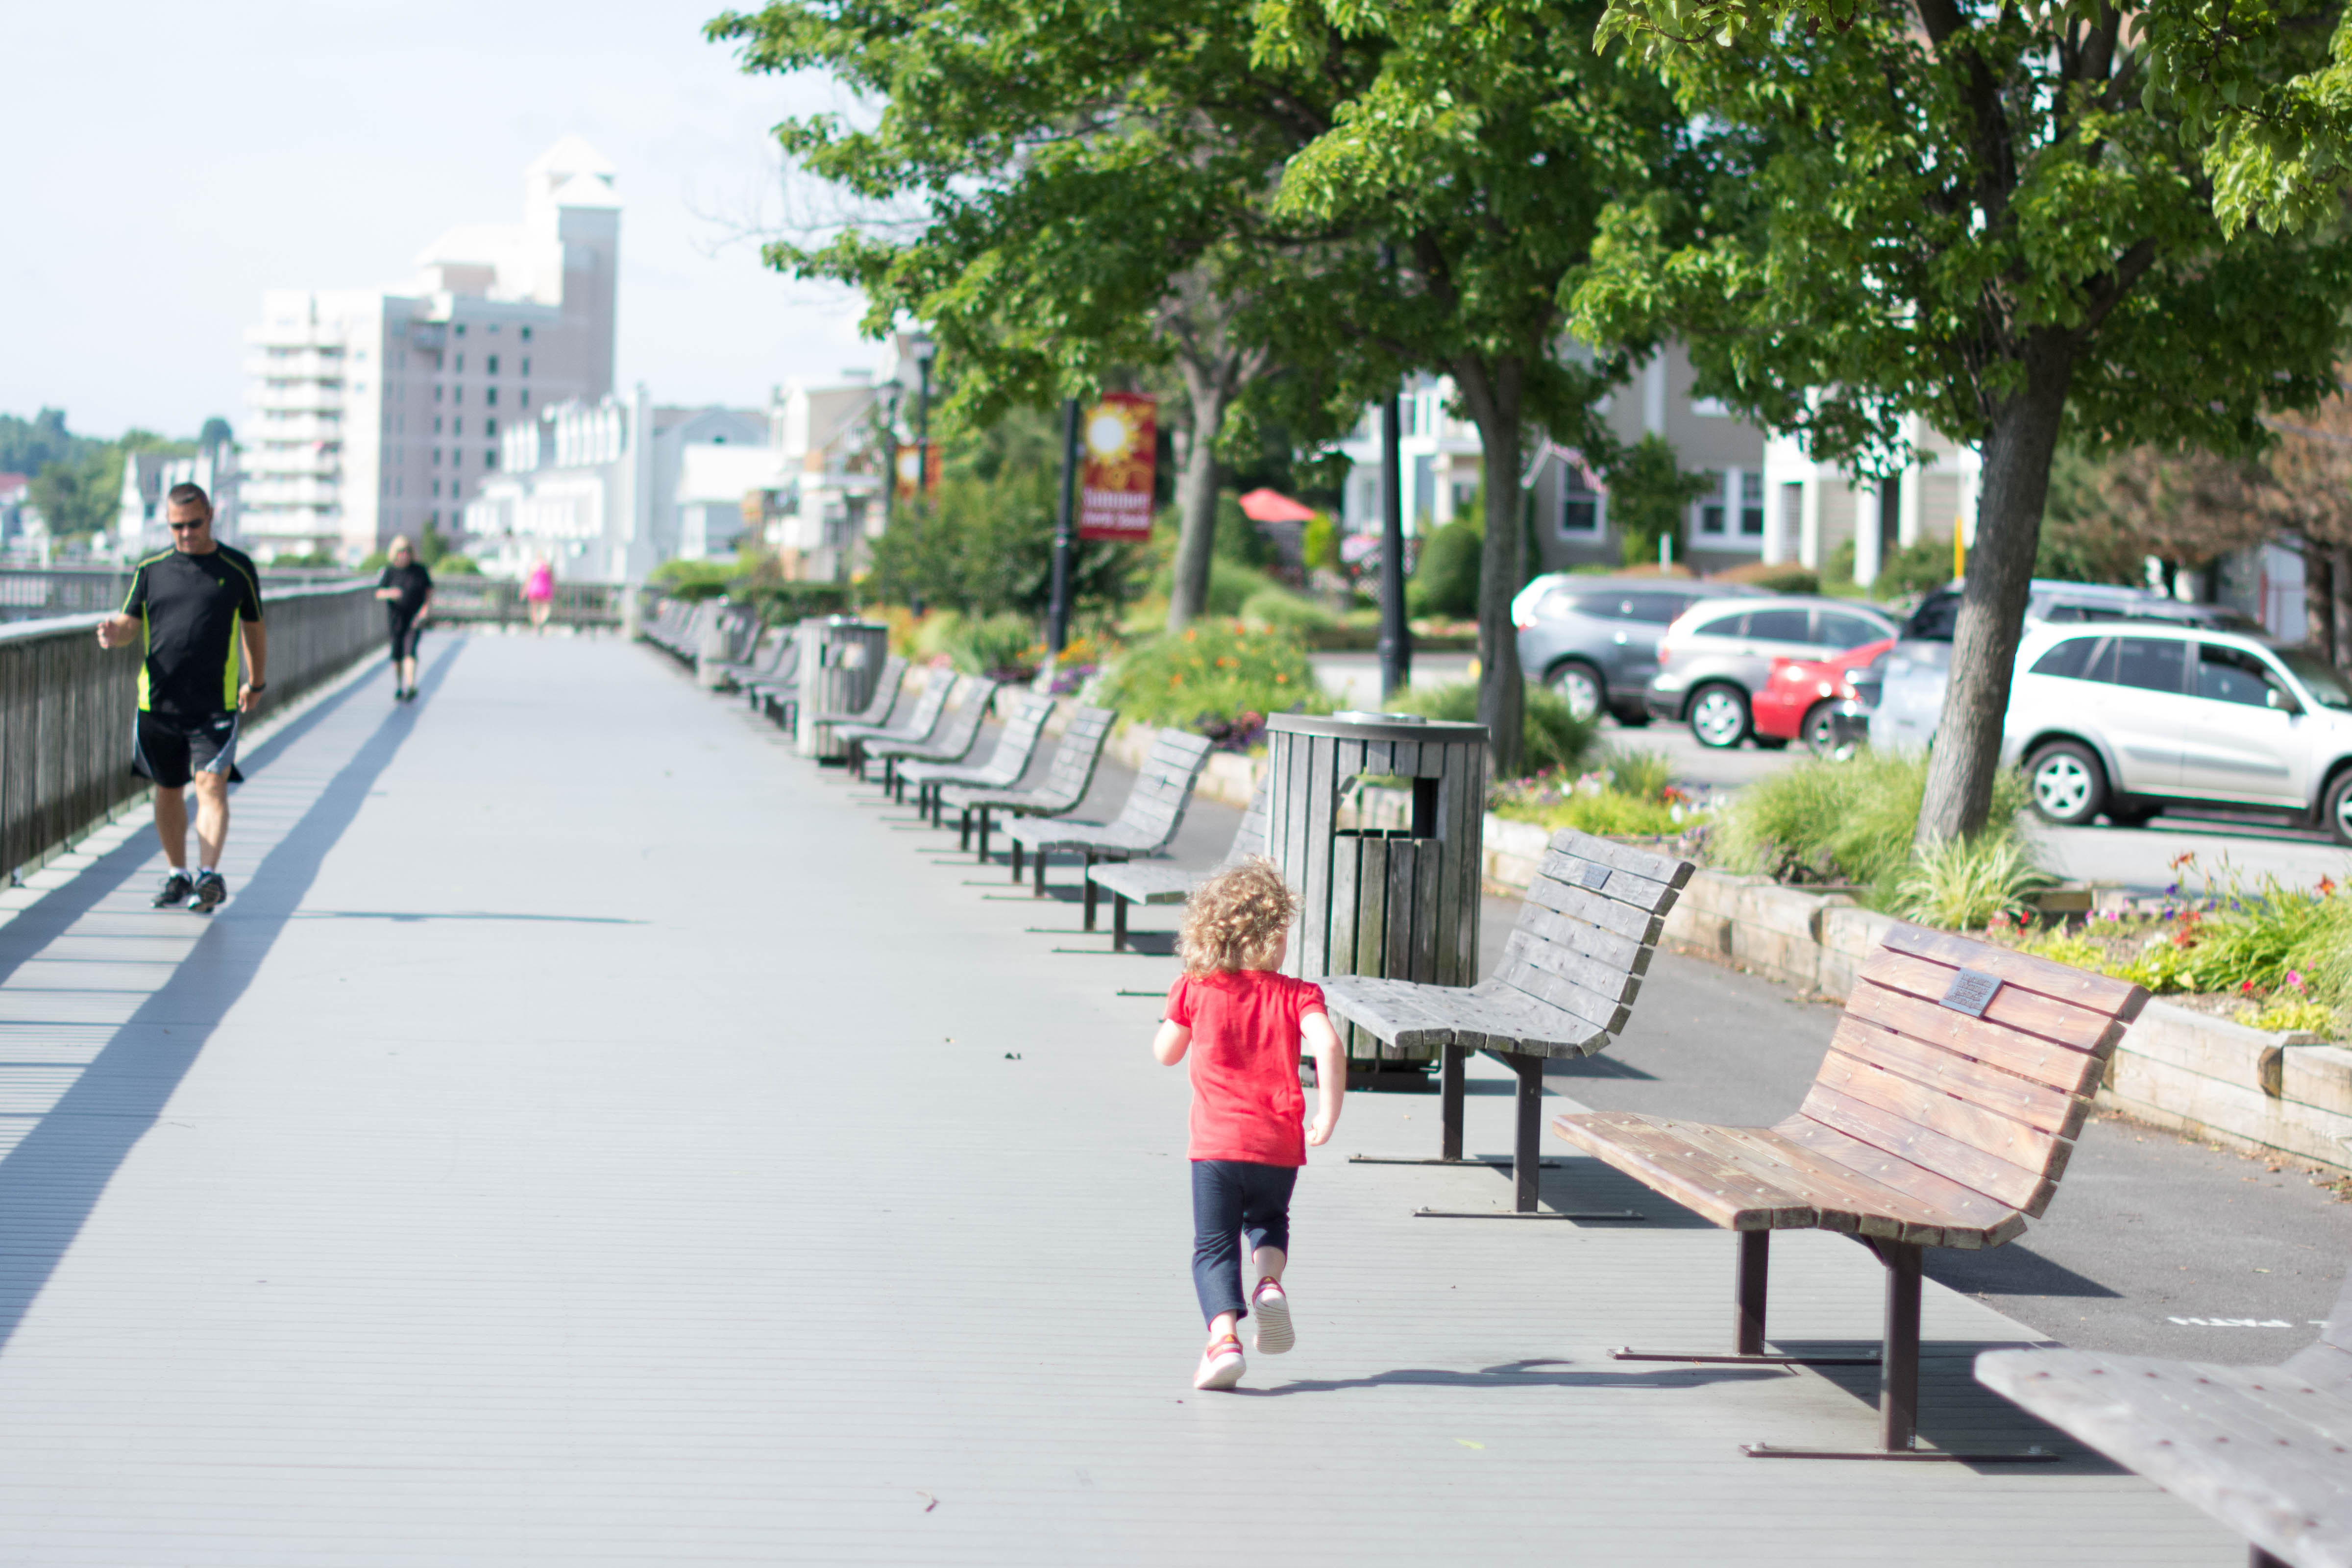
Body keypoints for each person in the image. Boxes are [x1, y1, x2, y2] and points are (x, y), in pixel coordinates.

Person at [1152, 858, 1346, 1392]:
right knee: (1267, 1220)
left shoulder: (1194, 986)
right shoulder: (1296, 993)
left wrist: (1175, 1013)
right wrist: (1328, 1112)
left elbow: (1165, 1053)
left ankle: (1223, 1341)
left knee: (1214, 1245)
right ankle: (1268, 1282)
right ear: (1274, 935)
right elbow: (1327, 1042)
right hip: (1277, 1143)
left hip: (1215, 1146)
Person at [96, 483, 266, 914]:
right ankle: (179, 875)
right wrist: (116, 633)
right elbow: (130, 623)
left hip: (216, 703)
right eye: (177, 527)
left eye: (193, 523)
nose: (186, 534)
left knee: (211, 784)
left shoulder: (237, 567)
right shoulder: (151, 569)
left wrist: (257, 681)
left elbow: (254, 629)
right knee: (168, 789)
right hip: (158, 703)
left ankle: (208, 877)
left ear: (210, 514)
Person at [373, 536, 432, 700]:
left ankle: (411, 684)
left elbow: (429, 591)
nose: (405, 555)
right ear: (395, 554)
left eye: (408, 551)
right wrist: (390, 593)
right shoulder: (390, 571)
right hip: (396, 619)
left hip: (414, 618)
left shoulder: (419, 571)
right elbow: (378, 592)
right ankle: (400, 686)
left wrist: (425, 610)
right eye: (401, 552)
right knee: (398, 654)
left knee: (410, 651)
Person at [524, 556, 554, 634]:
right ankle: (542, 622)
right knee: (545, 607)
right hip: (545, 588)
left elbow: (529, 579)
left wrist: (524, 590)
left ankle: (536, 624)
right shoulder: (548, 566)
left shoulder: (534, 566)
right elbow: (552, 579)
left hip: (534, 588)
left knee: (534, 608)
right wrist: (554, 589)